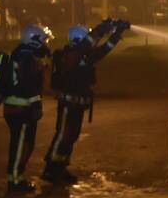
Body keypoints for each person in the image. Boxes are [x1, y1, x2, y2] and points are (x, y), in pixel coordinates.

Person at [42, 18, 129, 184]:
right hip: (68, 104)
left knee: (72, 136)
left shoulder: (82, 55)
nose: (91, 42)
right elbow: (87, 44)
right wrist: (102, 29)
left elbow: (104, 50)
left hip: (77, 104)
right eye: (88, 38)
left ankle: (61, 167)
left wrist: (116, 35)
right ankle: (51, 168)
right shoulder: (68, 56)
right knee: (63, 135)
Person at [3, 24, 52, 193]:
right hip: (20, 109)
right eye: (43, 40)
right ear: (34, 40)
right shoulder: (26, 57)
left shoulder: (24, 55)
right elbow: (29, 85)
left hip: (20, 108)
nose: (45, 43)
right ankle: (14, 180)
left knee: (26, 144)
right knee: (20, 145)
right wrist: (36, 105)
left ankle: (18, 177)